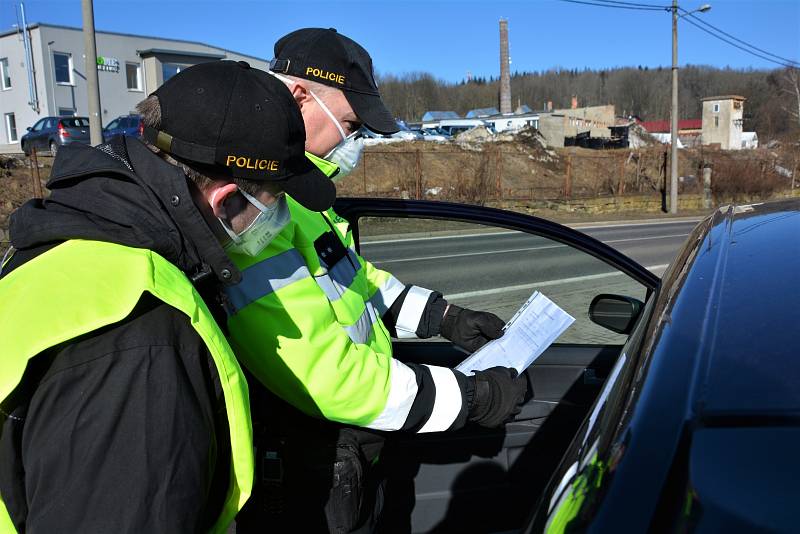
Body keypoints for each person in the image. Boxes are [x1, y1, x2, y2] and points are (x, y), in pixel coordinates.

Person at [0, 60, 336, 533]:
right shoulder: (143, 337)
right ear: (226, 200)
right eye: (275, 201)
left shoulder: (66, 240)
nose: (277, 220)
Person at [226, 29, 529, 533]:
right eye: (350, 124)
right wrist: (473, 398)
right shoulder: (256, 215)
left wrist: (444, 317)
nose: (355, 141)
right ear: (300, 97)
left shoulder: (298, 200)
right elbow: (326, 374)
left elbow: (358, 283)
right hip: (307, 477)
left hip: (352, 453)